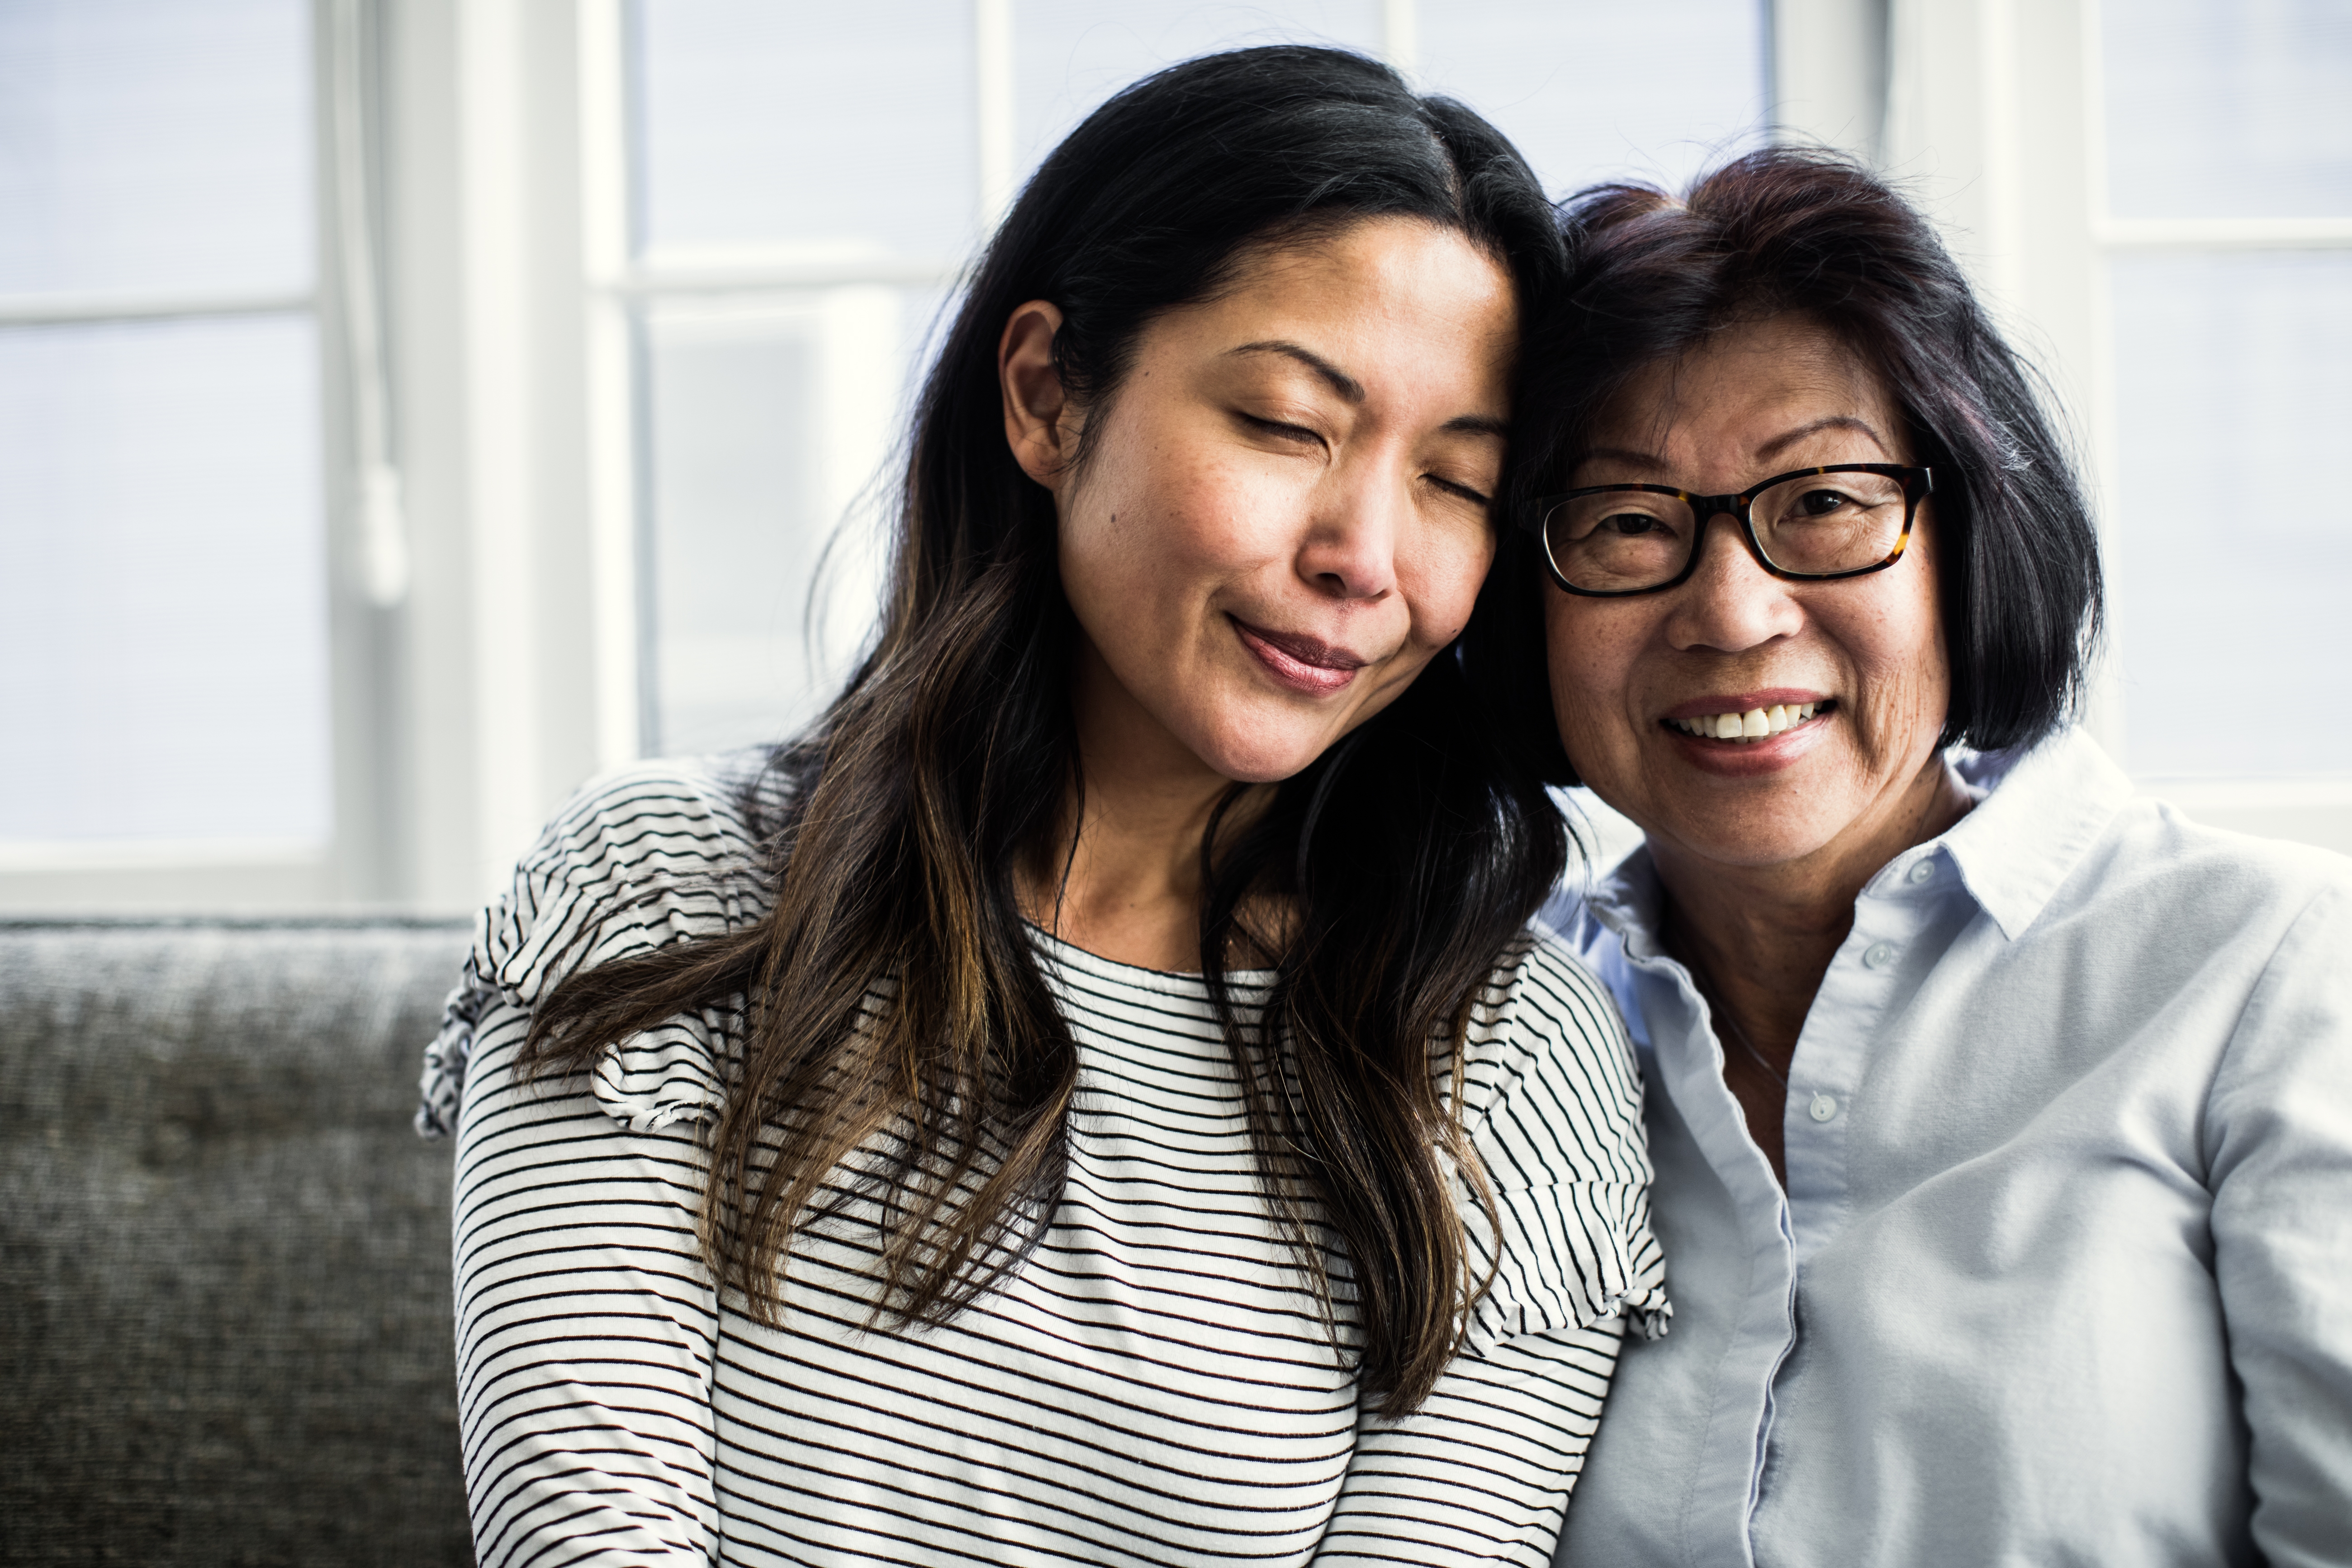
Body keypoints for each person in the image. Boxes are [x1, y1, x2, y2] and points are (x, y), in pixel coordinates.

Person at [417, 47, 1666, 1568]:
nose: (1365, 553)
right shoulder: (662, 890)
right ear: (1046, 398)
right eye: (1287, 425)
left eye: (1455, 482)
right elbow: (587, 1535)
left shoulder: (1505, 1053)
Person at [1467, 148, 2352, 1564]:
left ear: (1967, 535)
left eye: (1822, 501)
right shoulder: (1474, 1045)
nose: (1735, 612)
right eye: (1629, 523)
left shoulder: (2264, 972)